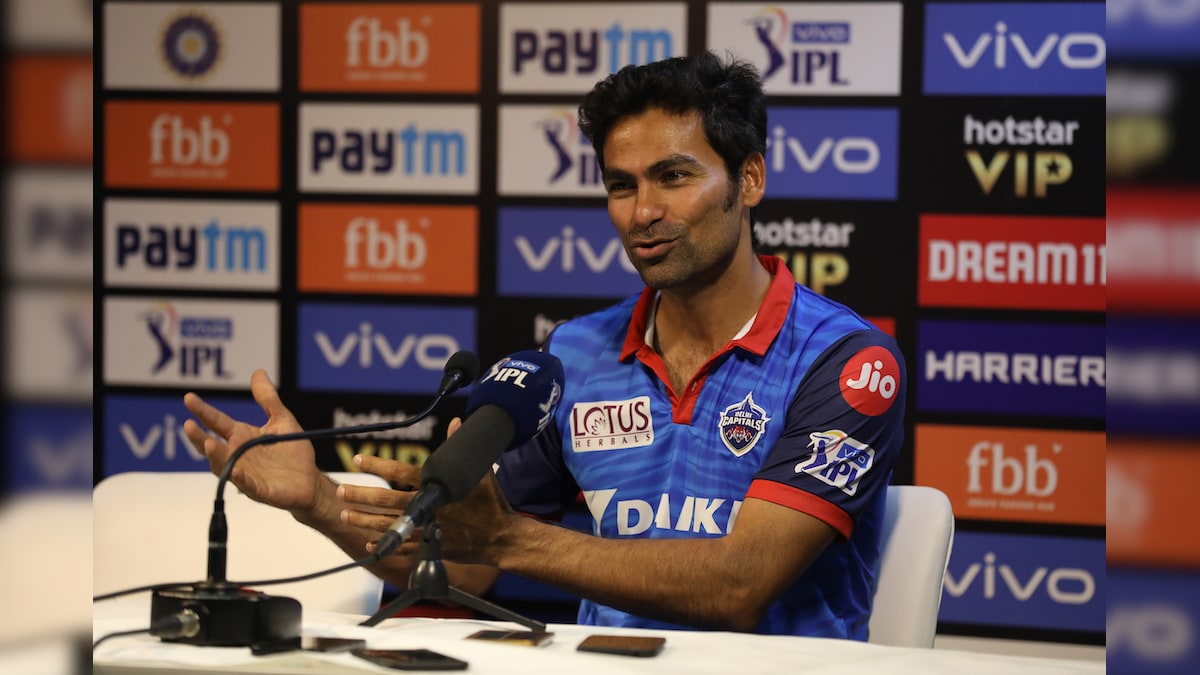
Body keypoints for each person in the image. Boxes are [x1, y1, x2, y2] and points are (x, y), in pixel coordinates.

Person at [183, 51, 906, 639]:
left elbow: (739, 585)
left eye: (673, 177)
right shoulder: (576, 354)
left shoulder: (846, 361)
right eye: (620, 185)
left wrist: (508, 538)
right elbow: (465, 565)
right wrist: (318, 499)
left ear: (748, 179)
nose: (643, 212)